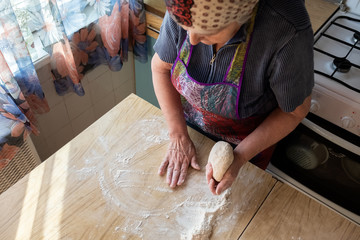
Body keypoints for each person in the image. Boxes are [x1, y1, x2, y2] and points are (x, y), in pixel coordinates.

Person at [151, 0, 313, 195]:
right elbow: (160, 68)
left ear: (240, 16)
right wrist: (178, 134)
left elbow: (294, 112)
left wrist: (239, 157)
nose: (192, 39)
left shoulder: (286, 31)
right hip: (189, 130)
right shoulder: (187, 5)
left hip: (249, 147)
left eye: (208, 31)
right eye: (186, 28)